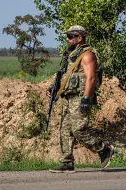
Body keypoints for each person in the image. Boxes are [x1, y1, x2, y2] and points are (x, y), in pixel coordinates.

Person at [47, 25, 114, 173]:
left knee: (78, 129)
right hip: (68, 96)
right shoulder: (71, 55)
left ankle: (104, 149)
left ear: (79, 38)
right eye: (68, 36)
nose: (67, 39)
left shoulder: (87, 55)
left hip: (79, 97)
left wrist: (86, 98)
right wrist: (54, 88)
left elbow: (90, 78)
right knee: (64, 130)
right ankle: (66, 162)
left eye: (71, 36)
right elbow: (65, 76)